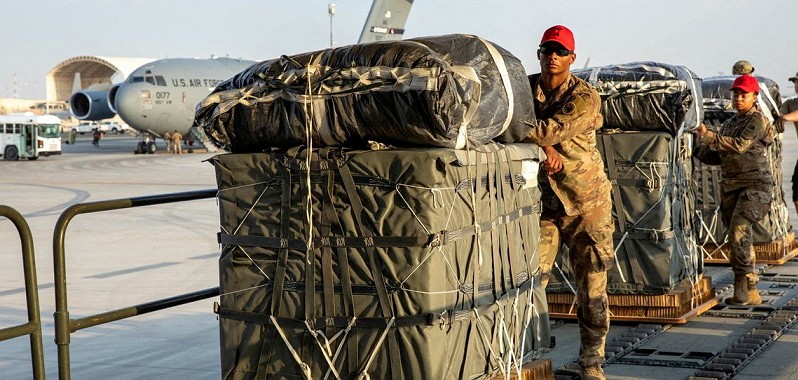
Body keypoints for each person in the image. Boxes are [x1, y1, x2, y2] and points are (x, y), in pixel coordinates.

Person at [522, 25, 614, 380]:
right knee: (531, 281)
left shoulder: (585, 97)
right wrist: (543, 149)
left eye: (560, 51)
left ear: (572, 58)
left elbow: (547, 130)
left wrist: (542, 141)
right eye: (547, 50)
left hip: (585, 205)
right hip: (544, 205)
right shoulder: (526, 89)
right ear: (540, 53)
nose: (553, 57)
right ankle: (525, 356)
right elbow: (504, 123)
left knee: (591, 288)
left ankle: (591, 363)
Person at [694, 74, 774, 306]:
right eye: (735, 94)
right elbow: (715, 157)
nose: (738, 98)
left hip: (756, 186)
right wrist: (695, 144)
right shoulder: (729, 124)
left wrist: (709, 135)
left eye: (744, 95)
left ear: (754, 97)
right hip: (731, 188)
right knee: (737, 237)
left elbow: (739, 146)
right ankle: (749, 287)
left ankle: (744, 285)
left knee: (739, 230)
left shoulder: (757, 121)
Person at [779, 71, 798, 214]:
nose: (797, 85)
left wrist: (784, 118)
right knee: (796, 196)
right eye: (796, 82)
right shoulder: (791, 103)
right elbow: (776, 114)